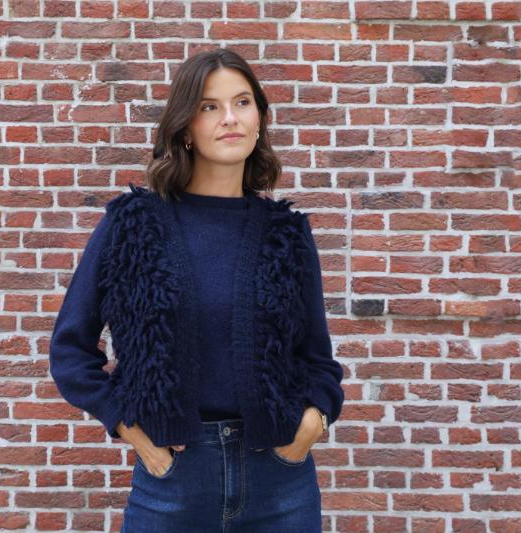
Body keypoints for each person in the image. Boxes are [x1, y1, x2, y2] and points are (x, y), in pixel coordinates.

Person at [49, 47, 345, 532]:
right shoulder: (132, 225)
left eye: (242, 102)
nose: (230, 118)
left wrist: (312, 425)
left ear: (259, 119)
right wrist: (130, 429)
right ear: (185, 127)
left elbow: (317, 358)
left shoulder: (286, 233)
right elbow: (70, 349)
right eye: (209, 106)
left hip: (281, 483)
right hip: (173, 482)